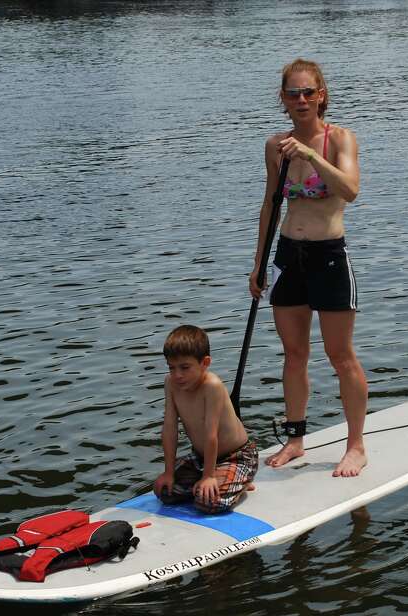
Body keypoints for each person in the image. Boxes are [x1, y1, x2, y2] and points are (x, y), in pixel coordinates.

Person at [249, 58, 368, 478]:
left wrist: (311, 156)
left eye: (308, 93)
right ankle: (296, 438)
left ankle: (355, 446)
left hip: (329, 257)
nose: (301, 100)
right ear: (282, 99)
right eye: (292, 94)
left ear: (321, 95)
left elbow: (350, 190)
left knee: (340, 356)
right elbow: (270, 204)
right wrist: (259, 263)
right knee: (294, 354)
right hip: (288, 257)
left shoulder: (340, 139)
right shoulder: (275, 146)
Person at [154, 325, 258, 513]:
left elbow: (211, 434)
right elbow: (170, 428)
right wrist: (169, 472)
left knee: (208, 502)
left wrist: (208, 476)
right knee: (165, 492)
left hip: (237, 457)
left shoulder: (212, 386)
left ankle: (238, 480)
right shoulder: (170, 383)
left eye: (185, 367)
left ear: (205, 362)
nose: (177, 375)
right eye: (172, 368)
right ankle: (219, 479)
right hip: (201, 457)